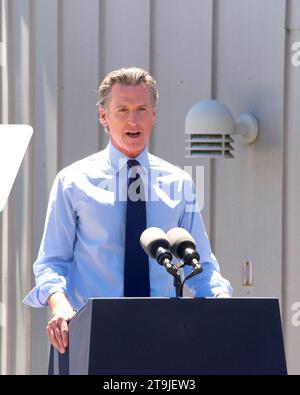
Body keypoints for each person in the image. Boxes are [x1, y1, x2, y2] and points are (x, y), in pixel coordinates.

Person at [23, 67, 233, 354]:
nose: (133, 119)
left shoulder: (179, 184)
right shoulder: (72, 182)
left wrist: (221, 299)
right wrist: (59, 306)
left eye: (141, 109)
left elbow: (201, 267)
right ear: (103, 117)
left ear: (154, 115)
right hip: (93, 339)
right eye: (122, 109)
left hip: (166, 339)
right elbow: (51, 262)